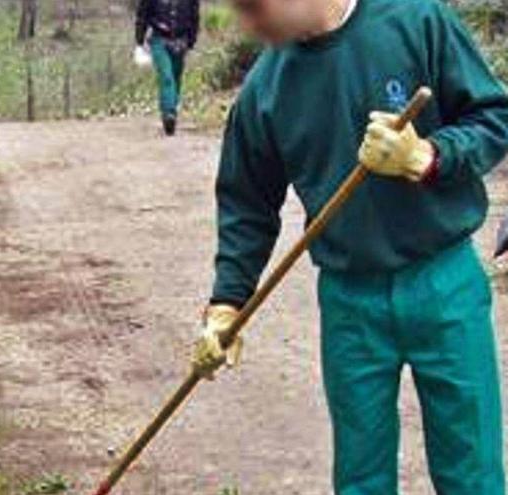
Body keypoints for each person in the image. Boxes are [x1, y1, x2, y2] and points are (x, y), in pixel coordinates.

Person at [191, 0, 508, 493]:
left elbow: (494, 116)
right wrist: (226, 304)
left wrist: (429, 155)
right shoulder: (265, 89)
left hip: (445, 283)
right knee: (361, 477)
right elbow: (246, 204)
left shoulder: (415, 20)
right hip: (349, 302)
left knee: (472, 469)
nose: (249, 22)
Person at [135, 0, 201, 136]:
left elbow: (195, 16)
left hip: (181, 40)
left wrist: (191, 41)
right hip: (159, 39)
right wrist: (139, 42)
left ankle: (172, 111)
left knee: (176, 77)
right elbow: (142, 14)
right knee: (166, 76)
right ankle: (168, 114)